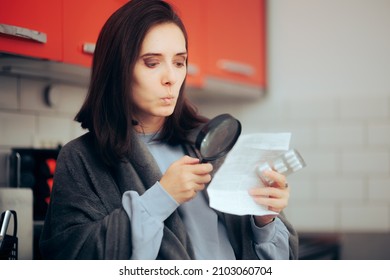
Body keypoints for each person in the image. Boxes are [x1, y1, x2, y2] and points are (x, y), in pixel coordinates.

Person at [39, 0, 299, 260]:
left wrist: (263, 219)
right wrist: (162, 197)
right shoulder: (81, 159)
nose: (171, 78)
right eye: (152, 63)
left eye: (179, 62)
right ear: (118, 69)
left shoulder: (209, 142)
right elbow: (70, 257)